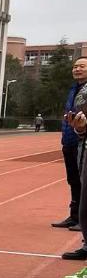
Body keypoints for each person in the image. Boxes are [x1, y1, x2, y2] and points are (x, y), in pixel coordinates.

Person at [53, 58, 87, 230]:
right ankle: (74, 216)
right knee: (73, 180)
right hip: (69, 140)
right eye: (75, 66)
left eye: (82, 66)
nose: (77, 69)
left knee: (83, 181)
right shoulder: (74, 89)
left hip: (83, 141)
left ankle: (83, 219)